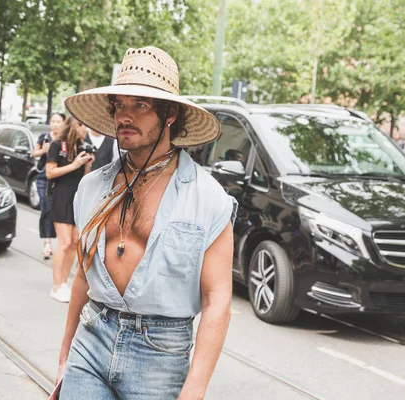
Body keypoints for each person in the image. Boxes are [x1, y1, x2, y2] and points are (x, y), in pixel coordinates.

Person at [56, 46, 237, 399]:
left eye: (139, 105)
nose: (125, 116)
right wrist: (65, 353)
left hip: (160, 354)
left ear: (169, 114)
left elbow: (218, 300)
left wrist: (195, 389)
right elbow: (83, 272)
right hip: (92, 337)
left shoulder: (207, 198)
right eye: (120, 105)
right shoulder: (92, 187)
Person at [45, 116, 94, 303]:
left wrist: (87, 164)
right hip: (61, 196)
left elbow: (85, 177)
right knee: (64, 243)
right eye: (84, 126)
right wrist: (74, 165)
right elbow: (50, 173)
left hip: (77, 197)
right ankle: (56, 286)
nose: (86, 130)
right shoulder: (57, 145)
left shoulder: (82, 146)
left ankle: (64, 283)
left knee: (74, 243)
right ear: (76, 126)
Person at [33, 112, 65, 259]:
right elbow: (35, 153)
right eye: (53, 121)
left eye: (58, 122)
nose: (55, 124)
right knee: (45, 207)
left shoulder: (65, 140)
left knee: (57, 209)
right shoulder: (44, 137)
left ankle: (61, 242)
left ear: (64, 123)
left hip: (59, 178)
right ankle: (47, 242)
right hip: (43, 178)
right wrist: (43, 150)